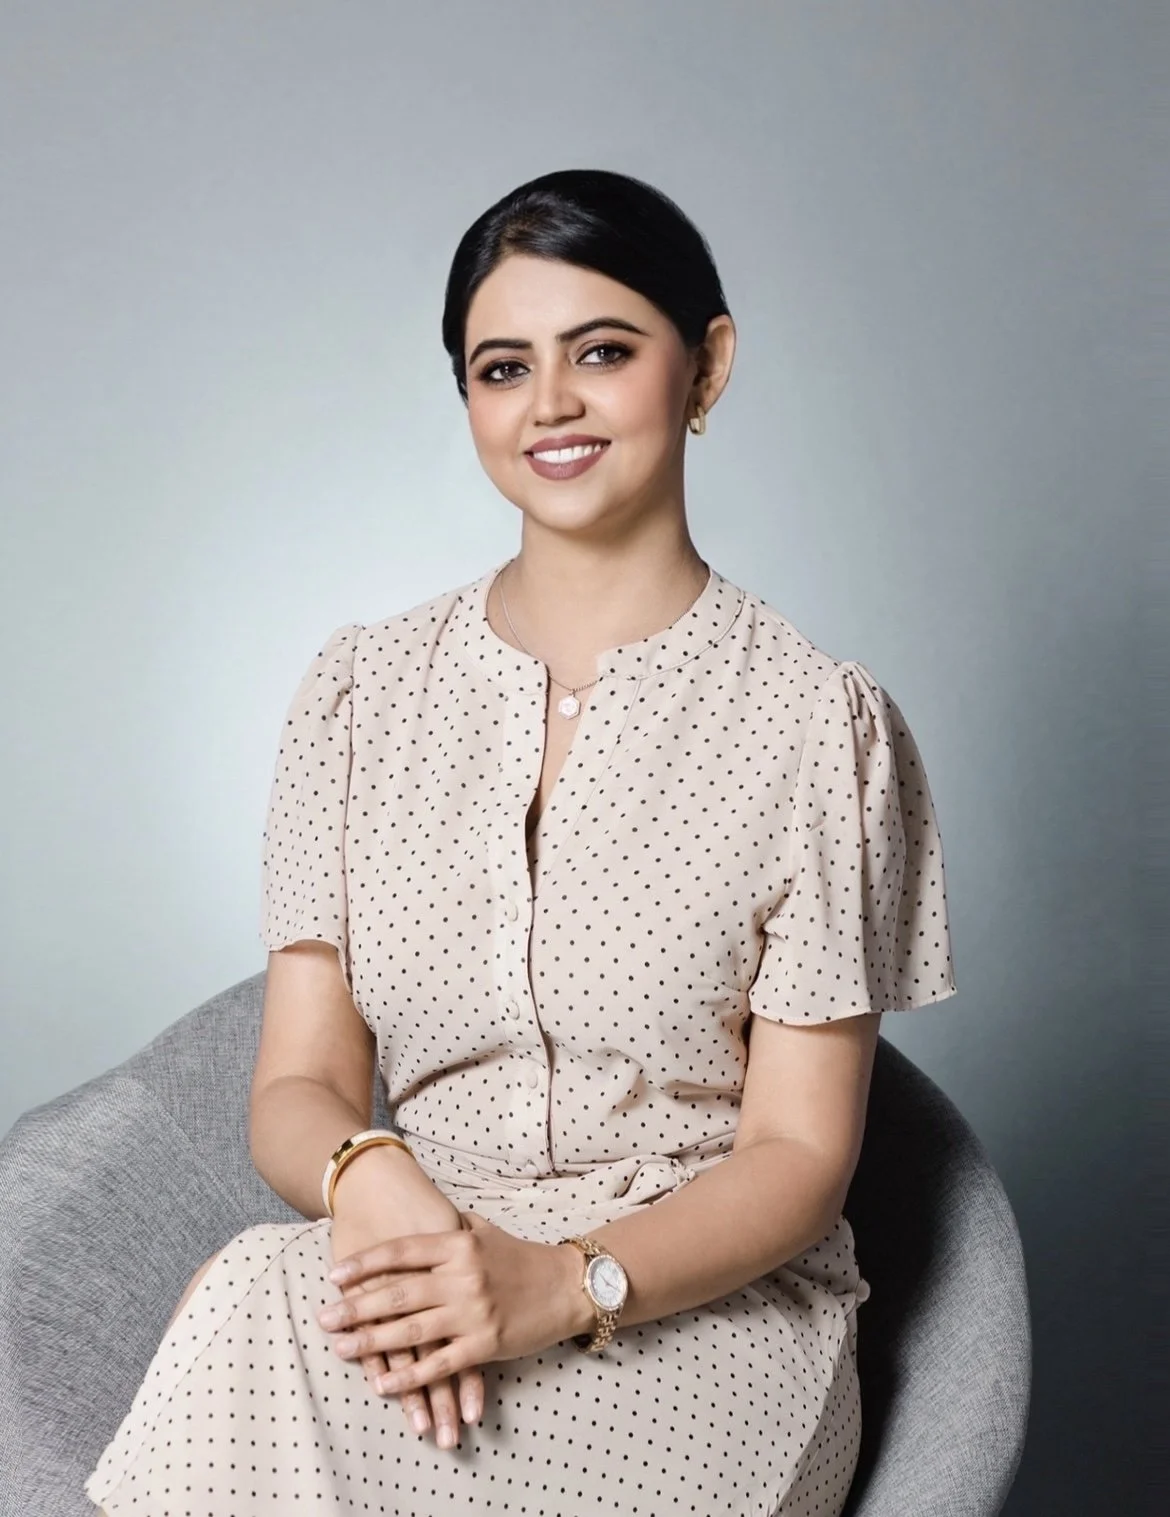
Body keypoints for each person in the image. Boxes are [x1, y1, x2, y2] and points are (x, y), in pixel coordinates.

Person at [84, 167, 957, 1516]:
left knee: (241, 1319)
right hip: (429, 1256)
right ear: (469, 399)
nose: (548, 405)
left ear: (704, 366)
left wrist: (561, 1283)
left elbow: (795, 1158)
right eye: (502, 368)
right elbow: (300, 1079)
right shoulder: (360, 697)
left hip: (695, 1317)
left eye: (601, 353)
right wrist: (371, 1182)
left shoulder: (814, 726)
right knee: (258, 1287)